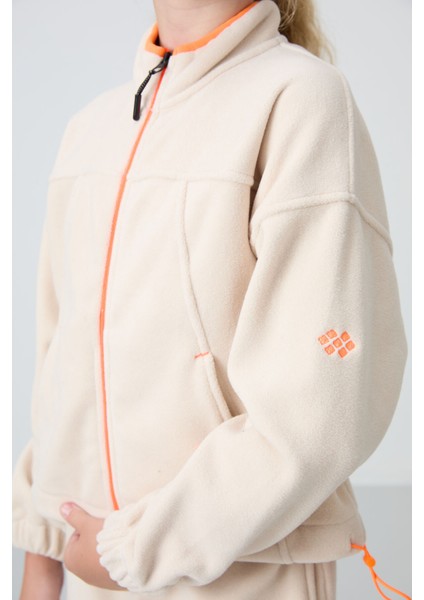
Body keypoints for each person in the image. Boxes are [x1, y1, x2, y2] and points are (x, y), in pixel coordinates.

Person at [13, 0, 409, 599]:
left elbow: (325, 396)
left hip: (243, 572)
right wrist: (41, 547)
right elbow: (60, 358)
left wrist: (136, 549)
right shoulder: (91, 127)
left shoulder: (300, 99)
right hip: (89, 563)